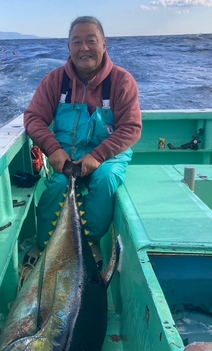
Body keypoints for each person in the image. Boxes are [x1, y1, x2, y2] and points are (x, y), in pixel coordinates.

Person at [23, 16, 142, 268]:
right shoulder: (54, 81)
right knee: (56, 188)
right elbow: (33, 118)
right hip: (66, 156)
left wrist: (98, 157)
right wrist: (53, 150)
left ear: (104, 44)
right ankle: (45, 243)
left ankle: (92, 243)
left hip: (108, 157)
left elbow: (131, 128)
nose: (84, 48)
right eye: (77, 41)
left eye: (91, 41)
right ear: (68, 46)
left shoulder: (122, 81)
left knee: (105, 181)